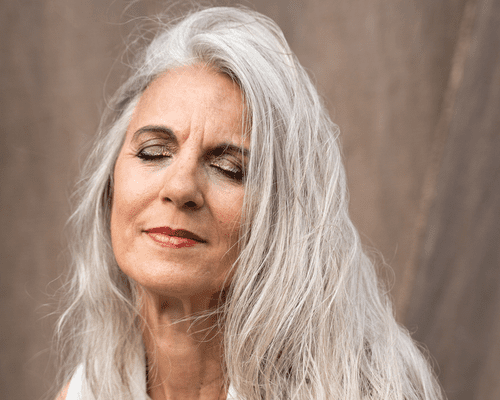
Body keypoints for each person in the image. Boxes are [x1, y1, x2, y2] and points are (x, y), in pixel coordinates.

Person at [54, 6, 444, 400]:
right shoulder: (85, 391)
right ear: (109, 187)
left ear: (285, 218)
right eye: (154, 152)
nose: (180, 186)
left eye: (229, 168)